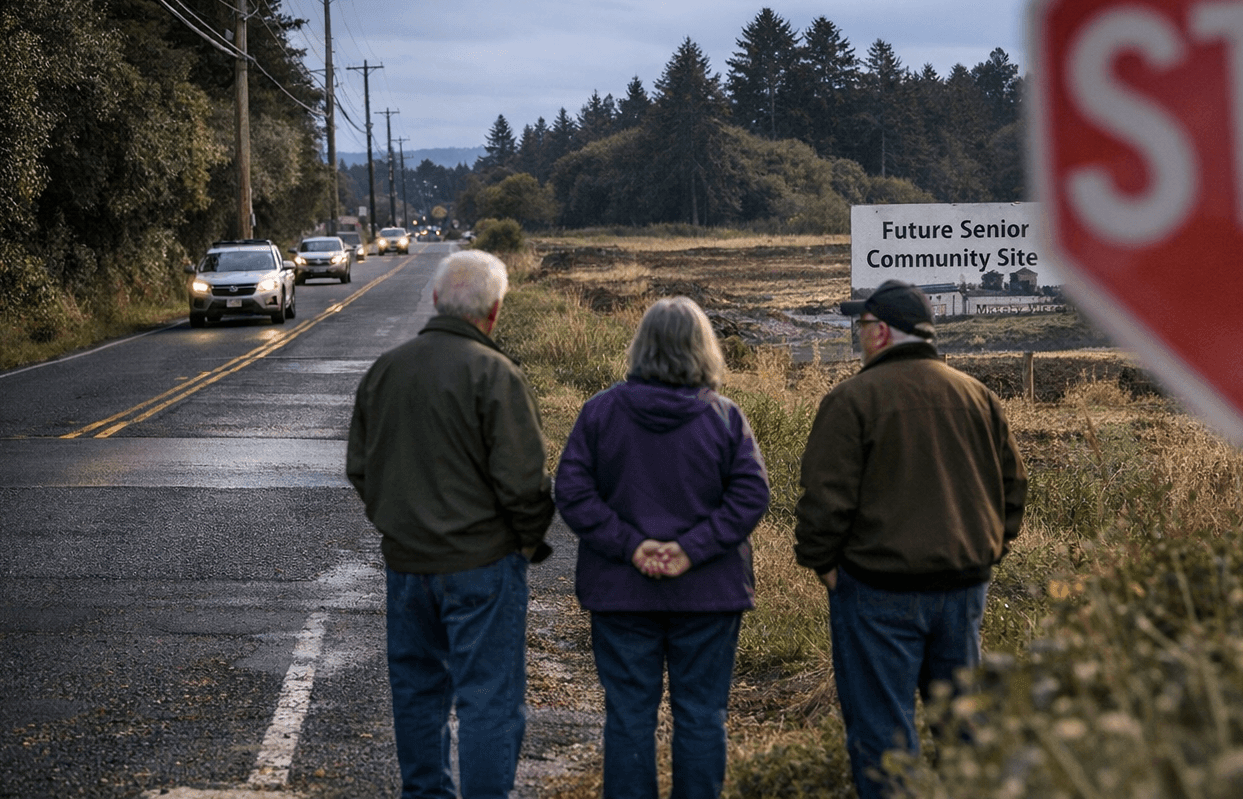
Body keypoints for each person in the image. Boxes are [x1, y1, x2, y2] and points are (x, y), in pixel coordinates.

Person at [793, 279, 1027, 799]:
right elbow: (1012, 489)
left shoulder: (851, 399)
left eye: (861, 326)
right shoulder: (978, 396)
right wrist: (987, 552)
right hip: (963, 589)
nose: (858, 335)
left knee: (883, 738)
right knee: (964, 731)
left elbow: (824, 500)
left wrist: (822, 562)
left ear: (880, 332)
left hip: (878, 591)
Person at [346, 249, 555, 799]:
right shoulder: (496, 374)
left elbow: (361, 467)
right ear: (495, 311)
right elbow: (525, 482)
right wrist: (526, 542)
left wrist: (399, 523)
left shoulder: (387, 369)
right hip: (482, 565)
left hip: (408, 565)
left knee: (417, 695)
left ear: (437, 299)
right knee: (487, 701)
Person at [555, 297, 771, 799]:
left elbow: (572, 491)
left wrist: (632, 547)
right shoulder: (724, 418)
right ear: (704, 348)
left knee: (629, 714)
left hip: (622, 593)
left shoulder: (600, 412)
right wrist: (690, 550)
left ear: (642, 346)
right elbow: (751, 495)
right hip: (708, 594)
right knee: (701, 715)